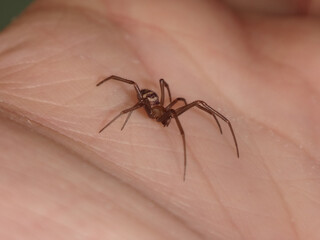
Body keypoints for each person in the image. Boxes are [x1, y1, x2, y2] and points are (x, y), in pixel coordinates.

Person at [0, 0, 319, 239]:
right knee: (142, 94)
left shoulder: (169, 110)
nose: (168, 119)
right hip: (147, 101)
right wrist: (122, 112)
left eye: (167, 116)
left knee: (195, 103)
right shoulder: (145, 103)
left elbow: (185, 104)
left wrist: (211, 118)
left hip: (159, 103)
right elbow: (128, 85)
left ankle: (222, 127)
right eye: (166, 116)